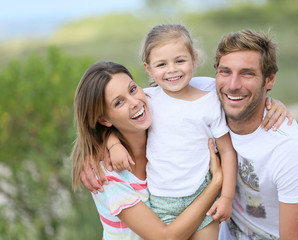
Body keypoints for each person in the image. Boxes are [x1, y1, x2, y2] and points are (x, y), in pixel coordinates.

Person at [71, 61, 223, 240]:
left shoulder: (160, 122)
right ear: (104, 120)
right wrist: (216, 182)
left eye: (133, 89)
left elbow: (208, 87)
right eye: (119, 102)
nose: (135, 102)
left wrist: (263, 103)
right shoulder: (107, 174)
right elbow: (166, 238)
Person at [192, 29, 298, 239]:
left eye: (247, 73)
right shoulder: (205, 96)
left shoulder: (290, 147)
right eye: (225, 71)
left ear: (269, 80)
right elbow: (135, 106)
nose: (233, 85)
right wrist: (115, 141)